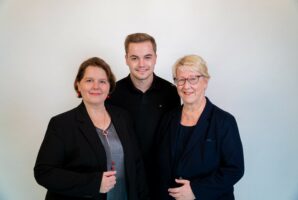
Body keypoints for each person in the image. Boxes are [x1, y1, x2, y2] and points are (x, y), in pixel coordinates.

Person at [34, 57, 148, 200]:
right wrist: (93, 183)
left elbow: (136, 164)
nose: (96, 86)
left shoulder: (123, 117)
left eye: (102, 81)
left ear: (109, 87)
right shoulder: (62, 124)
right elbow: (44, 172)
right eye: (89, 80)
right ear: (78, 85)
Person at [155, 55, 244, 200]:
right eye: (181, 80)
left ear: (205, 81)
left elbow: (234, 169)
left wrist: (196, 190)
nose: (186, 86)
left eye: (193, 79)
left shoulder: (224, 122)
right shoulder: (168, 118)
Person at [106, 33, 181, 193]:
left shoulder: (172, 93)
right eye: (134, 58)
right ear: (126, 59)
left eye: (147, 57)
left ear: (155, 58)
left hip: (162, 178)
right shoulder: (112, 93)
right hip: (125, 177)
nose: (141, 64)